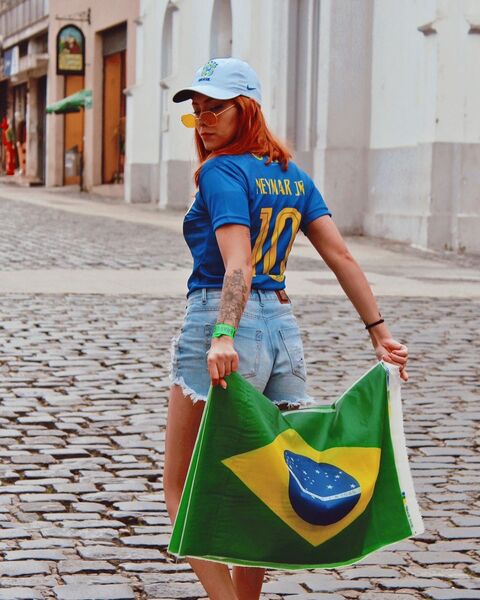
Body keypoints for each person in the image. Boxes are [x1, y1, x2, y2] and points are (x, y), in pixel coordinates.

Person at [163, 58, 408, 600]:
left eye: (215, 109)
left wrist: (222, 335)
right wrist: (378, 331)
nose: (203, 121)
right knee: (264, 485)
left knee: (181, 487)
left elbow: (238, 264)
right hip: (282, 332)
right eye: (196, 111)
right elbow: (341, 255)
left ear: (246, 109)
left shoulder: (222, 172)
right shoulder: (291, 174)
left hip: (225, 321)